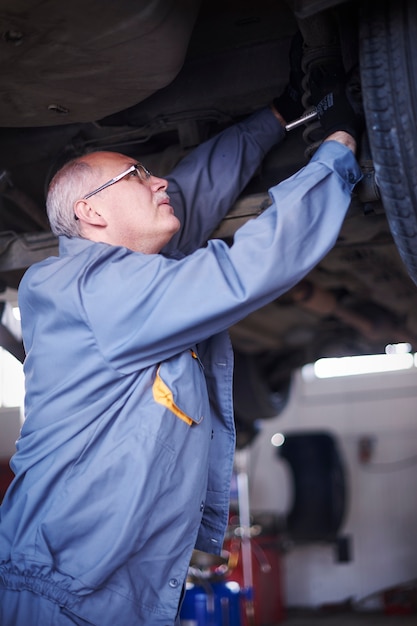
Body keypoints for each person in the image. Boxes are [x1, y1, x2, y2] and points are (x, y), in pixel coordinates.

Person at [0, 56, 362, 625]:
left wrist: (280, 115)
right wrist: (337, 149)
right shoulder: (89, 286)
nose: (159, 179)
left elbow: (193, 189)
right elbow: (247, 268)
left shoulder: (119, 278)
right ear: (89, 211)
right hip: (63, 595)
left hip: (105, 590)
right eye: (138, 176)